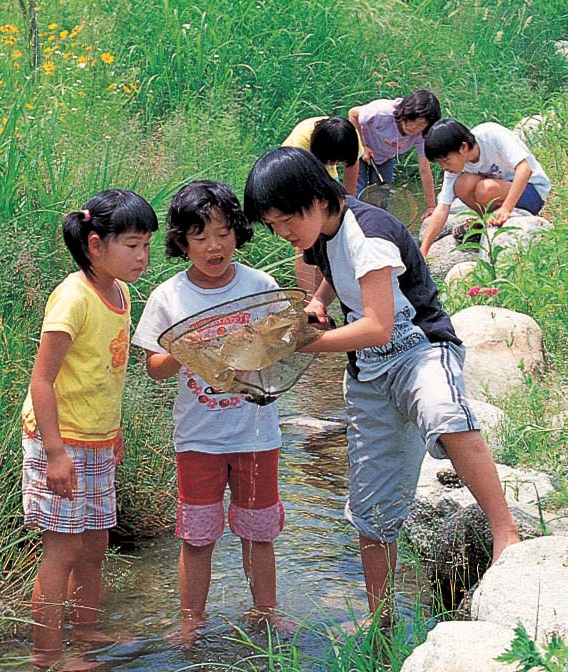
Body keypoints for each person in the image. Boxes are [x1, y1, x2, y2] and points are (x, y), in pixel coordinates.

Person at [243, 148, 521, 626]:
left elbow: (377, 326)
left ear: (316, 198)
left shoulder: (369, 232)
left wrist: (301, 344)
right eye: (272, 224)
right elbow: (335, 271)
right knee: (370, 505)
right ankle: (383, 614)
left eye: (286, 218)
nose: (283, 232)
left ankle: (504, 532)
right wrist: (317, 302)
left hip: (421, 351)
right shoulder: (323, 234)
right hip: (369, 373)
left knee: (443, 413)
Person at [131, 180, 288, 644]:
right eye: (199, 236)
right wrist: (182, 350)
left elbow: (284, 345)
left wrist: (263, 340)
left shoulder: (260, 286)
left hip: (257, 433)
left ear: (238, 233)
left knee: (259, 531)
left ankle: (265, 613)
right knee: (197, 535)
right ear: (182, 242)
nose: (213, 246)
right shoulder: (168, 297)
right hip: (198, 437)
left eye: (222, 233)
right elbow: (155, 368)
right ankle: (191, 622)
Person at [20, 189, 157, 671]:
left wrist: (114, 431)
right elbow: (42, 380)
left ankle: (86, 630)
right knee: (64, 548)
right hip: (60, 441)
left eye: (147, 245)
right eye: (132, 245)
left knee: (96, 542)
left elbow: (105, 373)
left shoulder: (120, 293)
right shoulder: (72, 297)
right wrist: (55, 452)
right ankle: (47, 655)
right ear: (95, 245)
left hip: (97, 440)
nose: (143, 256)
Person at [418, 118, 552, 258]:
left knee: (485, 188)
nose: (445, 167)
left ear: (463, 147)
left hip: (532, 191)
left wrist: (506, 208)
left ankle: (497, 218)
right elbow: (442, 208)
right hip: (501, 192)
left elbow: (525, 170)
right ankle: (486, 222)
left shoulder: (491, 134)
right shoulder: (455, 166)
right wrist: (424, 250)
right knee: (462, 184)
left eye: (445, 161)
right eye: (440, 163)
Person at [282, 115, 364, 294]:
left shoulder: (351, 139)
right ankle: (308, 298)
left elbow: (352, 166)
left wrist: (348, 201)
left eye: (337, 162)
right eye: (331, 161)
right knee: (305, 236)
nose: (334, 164)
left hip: (323, 163)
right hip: (293, 172)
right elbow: (303, 191)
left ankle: (321, 295)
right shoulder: (300, 144)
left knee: (326, 233)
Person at [348, 89, 441, 220]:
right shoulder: (381, 112)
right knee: (356, 193)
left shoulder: (421, 135)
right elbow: (353, 114)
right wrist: (363, 146)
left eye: (420, 124)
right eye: (411, 119)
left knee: (380, 200)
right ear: (405, 112)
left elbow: (425, 170)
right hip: (360, 152)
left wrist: (431, 207)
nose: (413, 127)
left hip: (385, 158)